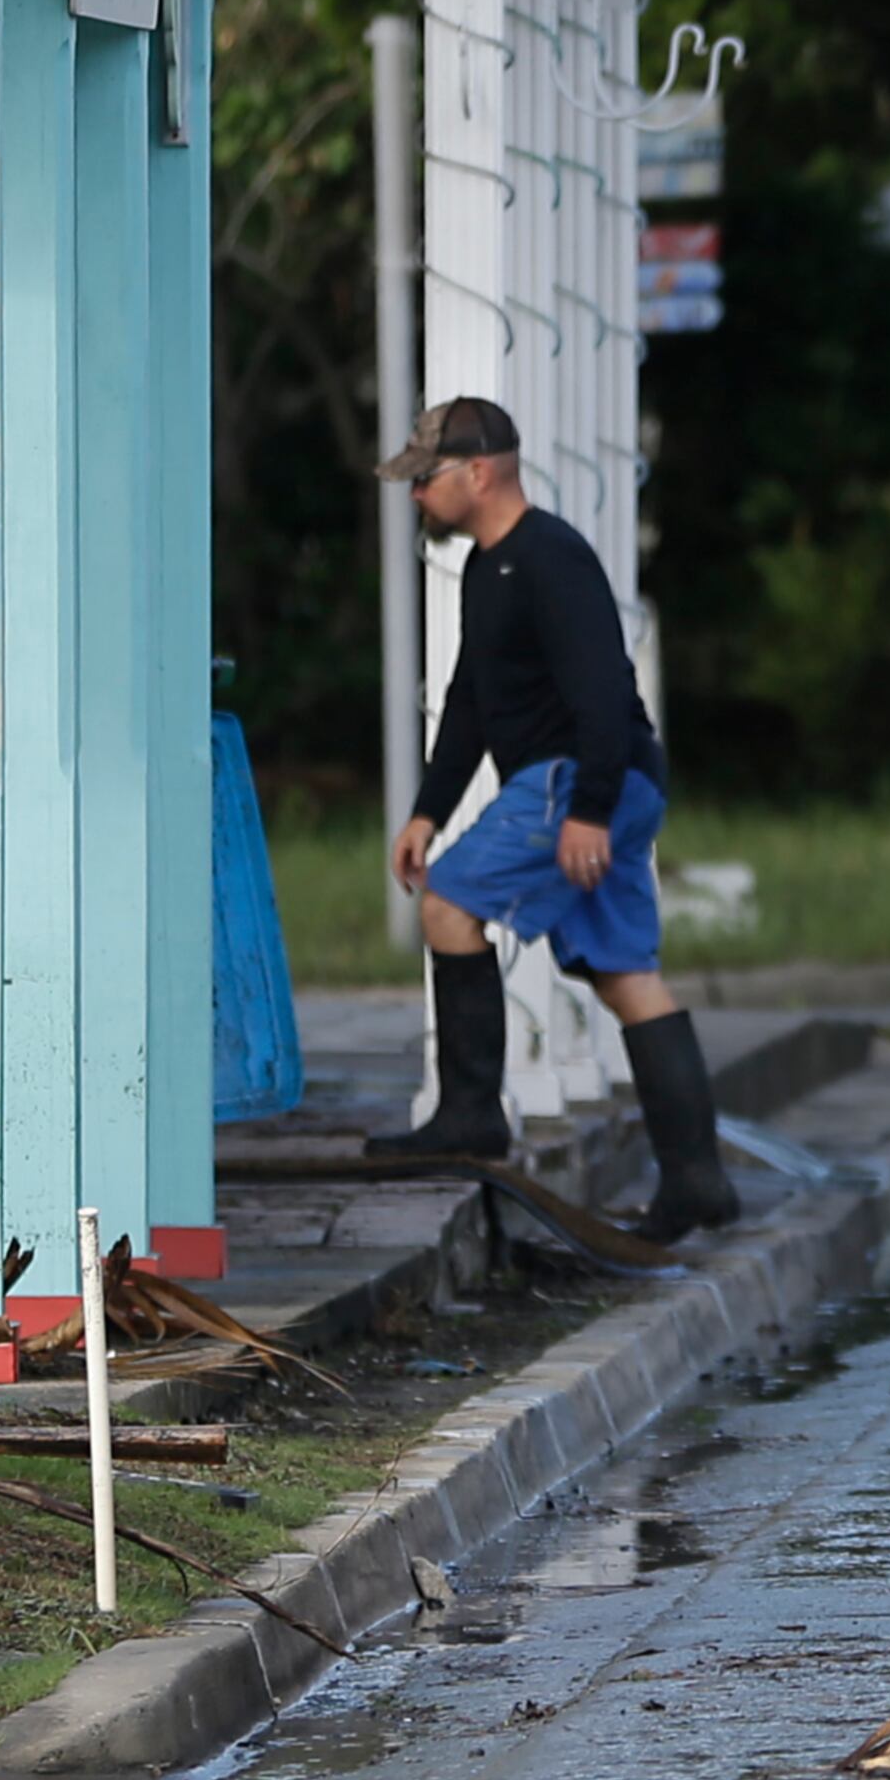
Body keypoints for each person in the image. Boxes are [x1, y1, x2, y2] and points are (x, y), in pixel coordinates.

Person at [365, 397, 743, 1241]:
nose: (415, 495)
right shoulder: (488, 568)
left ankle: (470, 1114)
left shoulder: (550, 558)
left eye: (424, 479)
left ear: (479, 471)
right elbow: (468, 703)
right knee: (622, 974)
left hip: (578, 780)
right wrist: (428, 810)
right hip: (594, 785)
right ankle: (698, 1180)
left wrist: (589, 810)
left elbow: (605, 690)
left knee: (448, 905)